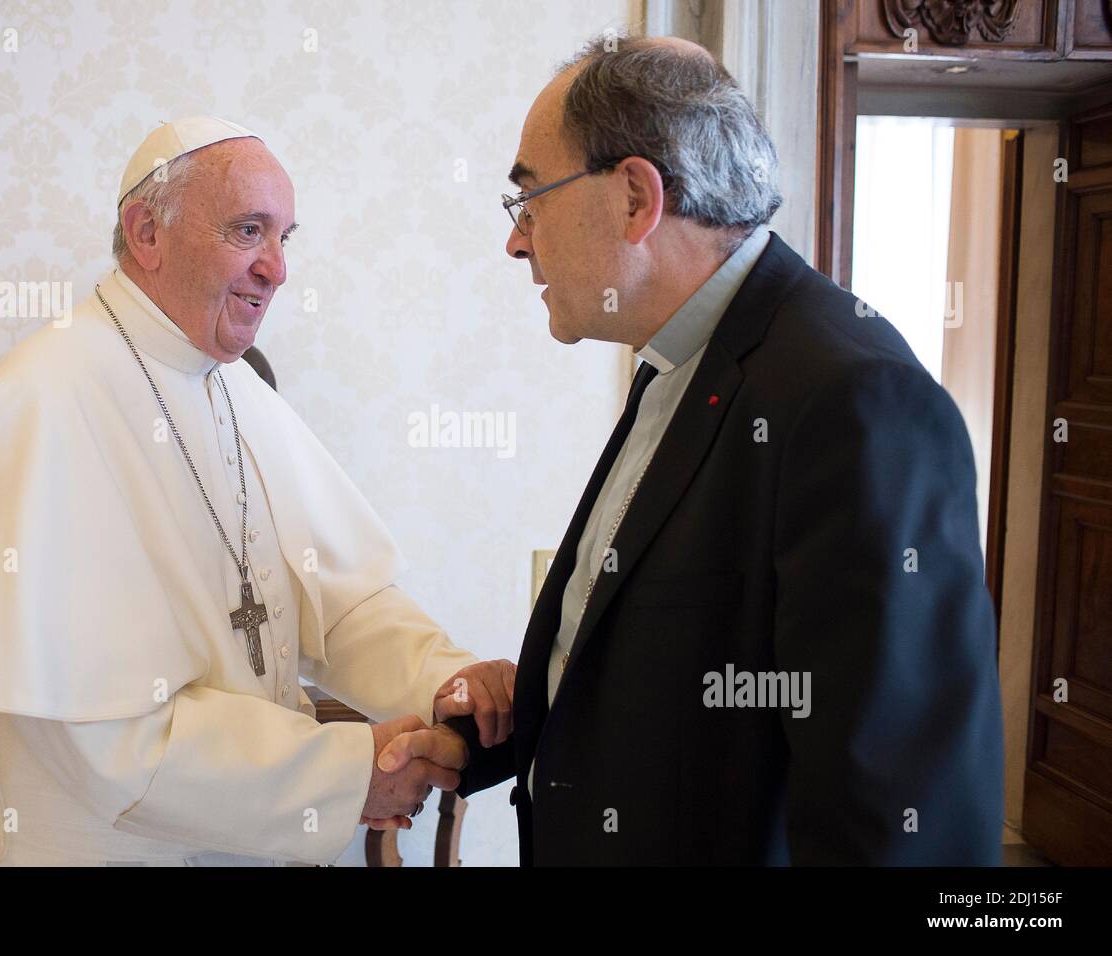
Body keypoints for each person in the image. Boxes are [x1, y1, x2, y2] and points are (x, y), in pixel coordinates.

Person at [0, 116, 508, 866]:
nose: (277, 268)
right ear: (147, 232)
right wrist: (344, 773)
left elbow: (337, 596)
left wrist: (443, 679)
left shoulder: (231, 386)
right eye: (247, 230)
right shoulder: (47, 397)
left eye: (284, 237)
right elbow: (99, 737)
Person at [417, 35, 1003, 865]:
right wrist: (496, 736)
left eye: (530, 200)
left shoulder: (855, 397)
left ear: (634, 197)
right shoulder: (679, 360)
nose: (518, 242)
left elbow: (902, 810)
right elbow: (686, 685)